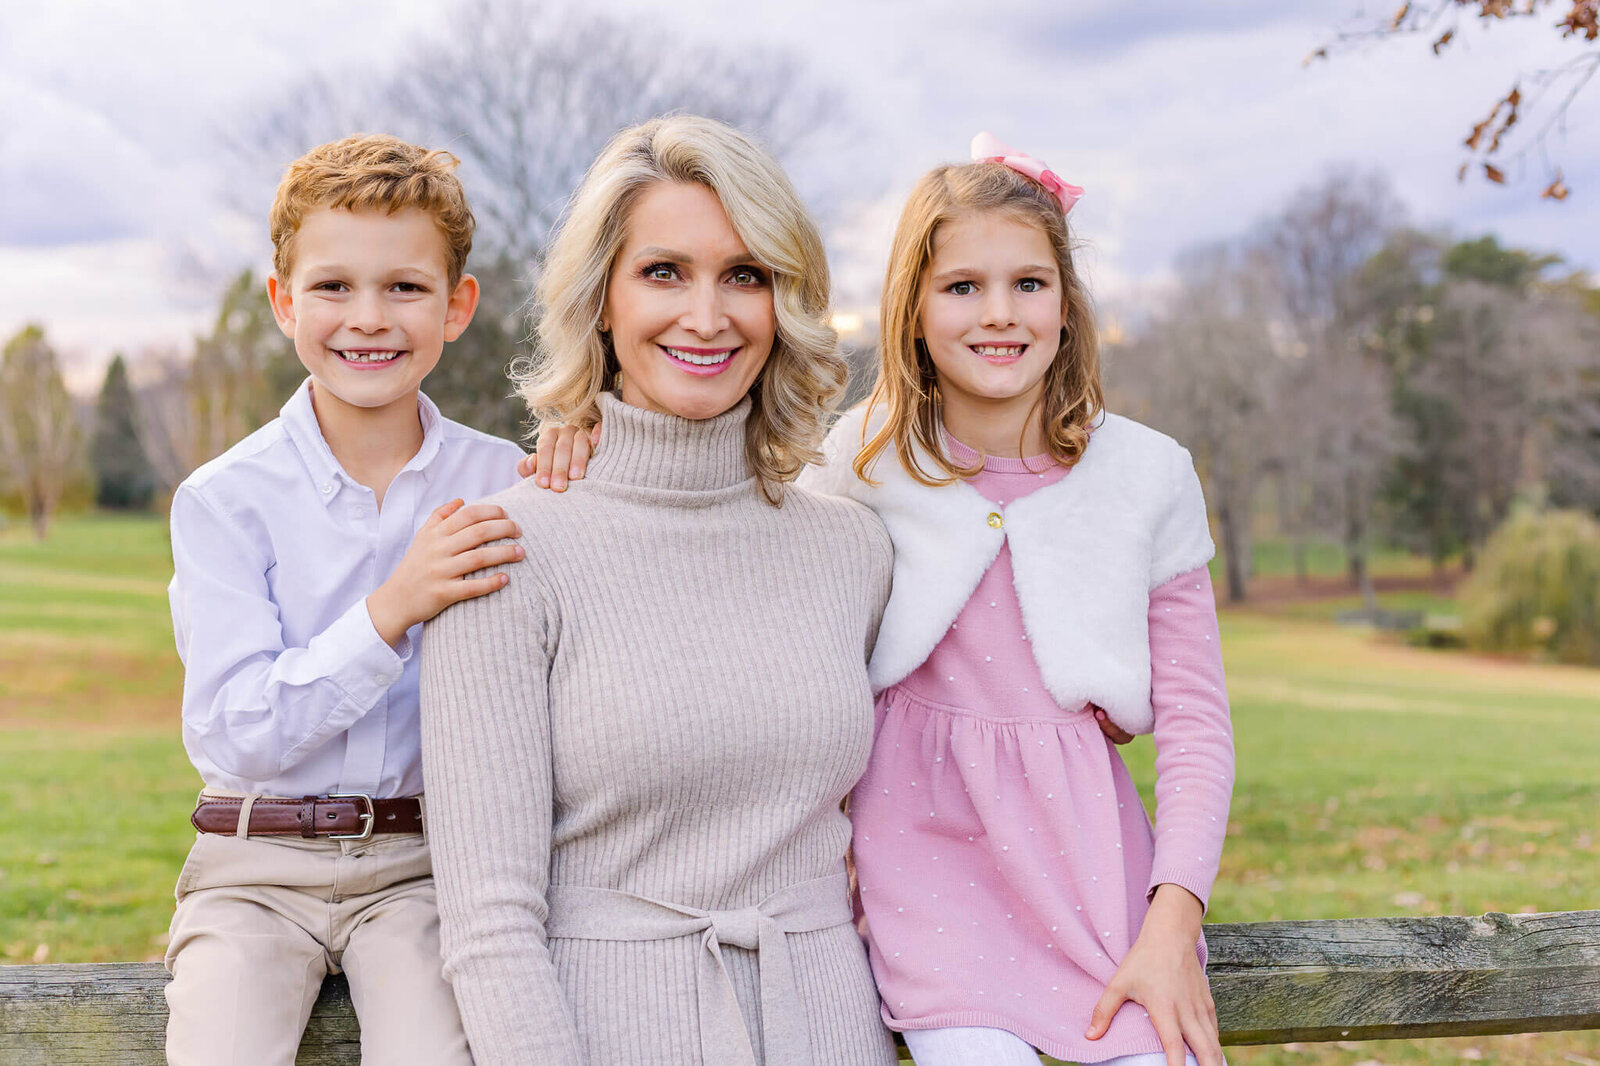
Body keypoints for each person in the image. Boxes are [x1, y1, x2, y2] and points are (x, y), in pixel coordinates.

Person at [417, 114, 900, 1066]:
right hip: (607, 1030)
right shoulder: (508, 552)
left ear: (786, 302)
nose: (707, 315)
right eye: (664, 272)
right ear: (600, 298)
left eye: (746, 275)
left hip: (832, 1027)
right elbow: (489, 924)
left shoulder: (853, 550)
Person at [799, 134, 1235, 1066]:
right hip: (921, 866)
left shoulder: (1149, 474)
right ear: (912, 310)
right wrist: (584, 434)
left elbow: (1197, 726)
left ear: (1068, 306)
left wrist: (1170, 926)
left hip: (1091, 872)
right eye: (962, 287)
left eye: (1029, 285)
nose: (1000, 315)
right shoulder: (857, 461)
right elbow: (726, 514)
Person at [163, 134, 526, 1066]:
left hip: (424, 871)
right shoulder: (224, 499)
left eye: (405, 287)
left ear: (456, 307)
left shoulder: (508, 483)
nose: (368, 318)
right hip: (254, 866)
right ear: (284, 302)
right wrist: (391, 607)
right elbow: (236, 730)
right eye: (332, 287)